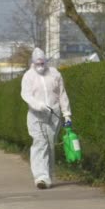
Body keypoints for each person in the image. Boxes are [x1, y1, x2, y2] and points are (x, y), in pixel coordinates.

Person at [20, 47, 72, 189]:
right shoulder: (28, 76)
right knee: (40, 142)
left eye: (42, 63)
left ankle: (48, 175)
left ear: (46, 61)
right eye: (37, 64)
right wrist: (38, 105)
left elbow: (62, 94)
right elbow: (26, 95)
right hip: (36, 115)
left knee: (50, 144)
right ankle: (40, 177)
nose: (40, 67)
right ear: (32, 62)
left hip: (53, 114)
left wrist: (67, 114)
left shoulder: (54, 74)